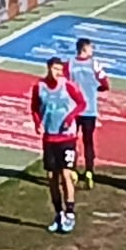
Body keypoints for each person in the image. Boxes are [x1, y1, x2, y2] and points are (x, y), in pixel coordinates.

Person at [31, 56, 87, 234]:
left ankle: (70, 213)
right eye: (55, 69)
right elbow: (34, 107)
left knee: (66, 174)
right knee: (51, 177)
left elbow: (82, 103)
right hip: (49, 137)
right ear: (48, 68)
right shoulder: (39, 87)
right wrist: (37, 122)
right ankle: (58, 213)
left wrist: (70, 118)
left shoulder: (68, 86)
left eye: (60, 70)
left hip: (67, 137)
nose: (58, 74)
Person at [68, 37, 110, 189]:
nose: (93, 50)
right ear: (84, 49)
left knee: (71, 140)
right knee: (88, 142)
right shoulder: (94, 64)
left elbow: (64, 84)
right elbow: (105, 83)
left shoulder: (70, 64)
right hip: (89, 110)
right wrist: (95, 89)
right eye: (91, 48)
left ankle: (71, 169)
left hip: (73, 110)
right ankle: (89, 171)